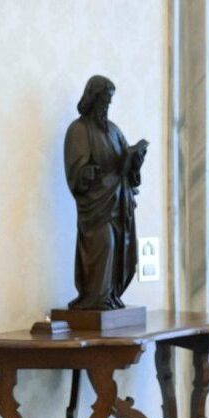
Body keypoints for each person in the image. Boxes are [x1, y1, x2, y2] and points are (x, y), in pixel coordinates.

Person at [63, 75, 149, 310]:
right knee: (105, 244)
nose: (107, 105)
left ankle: (110, 296)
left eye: (110, 101)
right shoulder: (78, 130)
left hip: (119, 203)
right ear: (93, 98)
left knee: (121, 250)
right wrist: (85, 173)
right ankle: (96, 298)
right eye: (104, 100)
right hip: (97, 207)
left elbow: (126, 166)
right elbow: (75, 171)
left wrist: (135, 161)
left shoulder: (114, 131)